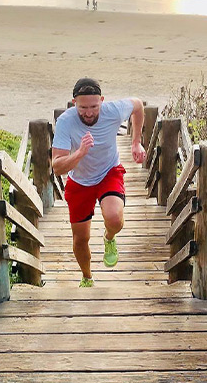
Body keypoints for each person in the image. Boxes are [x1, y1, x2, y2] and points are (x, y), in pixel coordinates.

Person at [52, 78, 146, 287]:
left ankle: (109, 238)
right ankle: (87, 276)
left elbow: (138, 105)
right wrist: (80, 153)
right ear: (74, 102)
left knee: (114, 219)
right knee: (80, 239)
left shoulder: (113, 110)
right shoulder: (65, 122)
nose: (89, 112)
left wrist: (136, 142)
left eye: (94, 106)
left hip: (108, 172)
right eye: (83, 107)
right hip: (79, 182)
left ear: (102, 101)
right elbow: (57, 167)